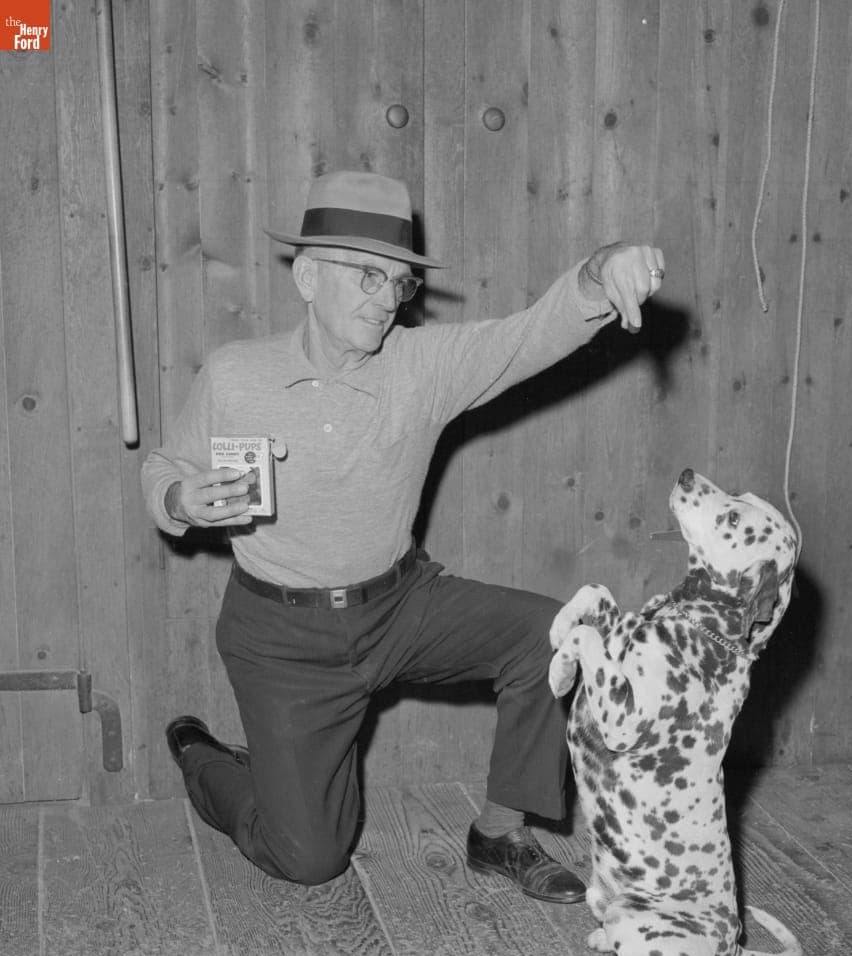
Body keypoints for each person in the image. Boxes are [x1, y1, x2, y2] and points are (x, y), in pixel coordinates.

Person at [142, 170, 665, 903]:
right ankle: (208, 760)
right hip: (280, 638)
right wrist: (179, 495)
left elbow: (530, 336)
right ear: (307, 276)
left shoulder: (421, 366)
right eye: (365, 276)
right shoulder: (237, 376)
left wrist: (600, 269)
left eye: (398, 282)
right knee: (310, 857)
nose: (385, 298)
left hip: (400, 606)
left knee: (550, 633)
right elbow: (165, 465)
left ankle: (499, 832)